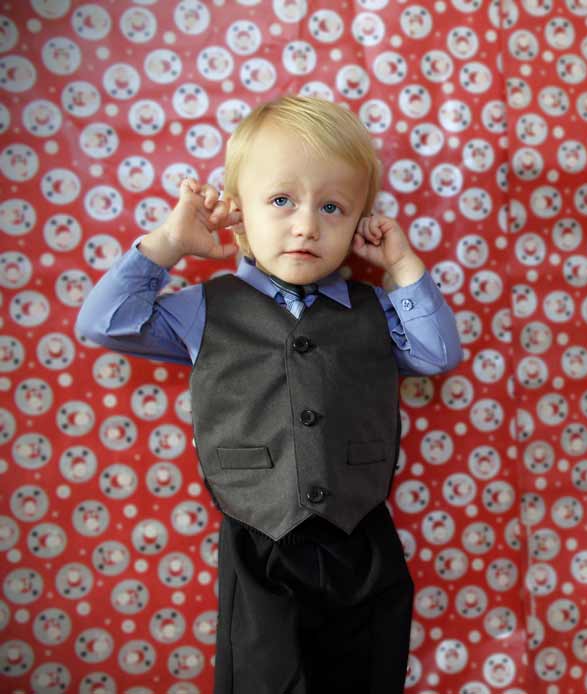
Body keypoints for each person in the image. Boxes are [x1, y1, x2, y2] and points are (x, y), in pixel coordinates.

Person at [76, 95, 461, 693]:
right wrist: (171, 243)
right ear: (238, 212)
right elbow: (104, 322)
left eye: (333, 207)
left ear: (361, 219)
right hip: (260, 536)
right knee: (263, 677)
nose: (307, 224)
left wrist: (402, 264)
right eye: (281, 201)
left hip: (361, 534)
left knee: (368, 669)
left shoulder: (372, 310)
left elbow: (437, 353)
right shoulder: (207, 307)